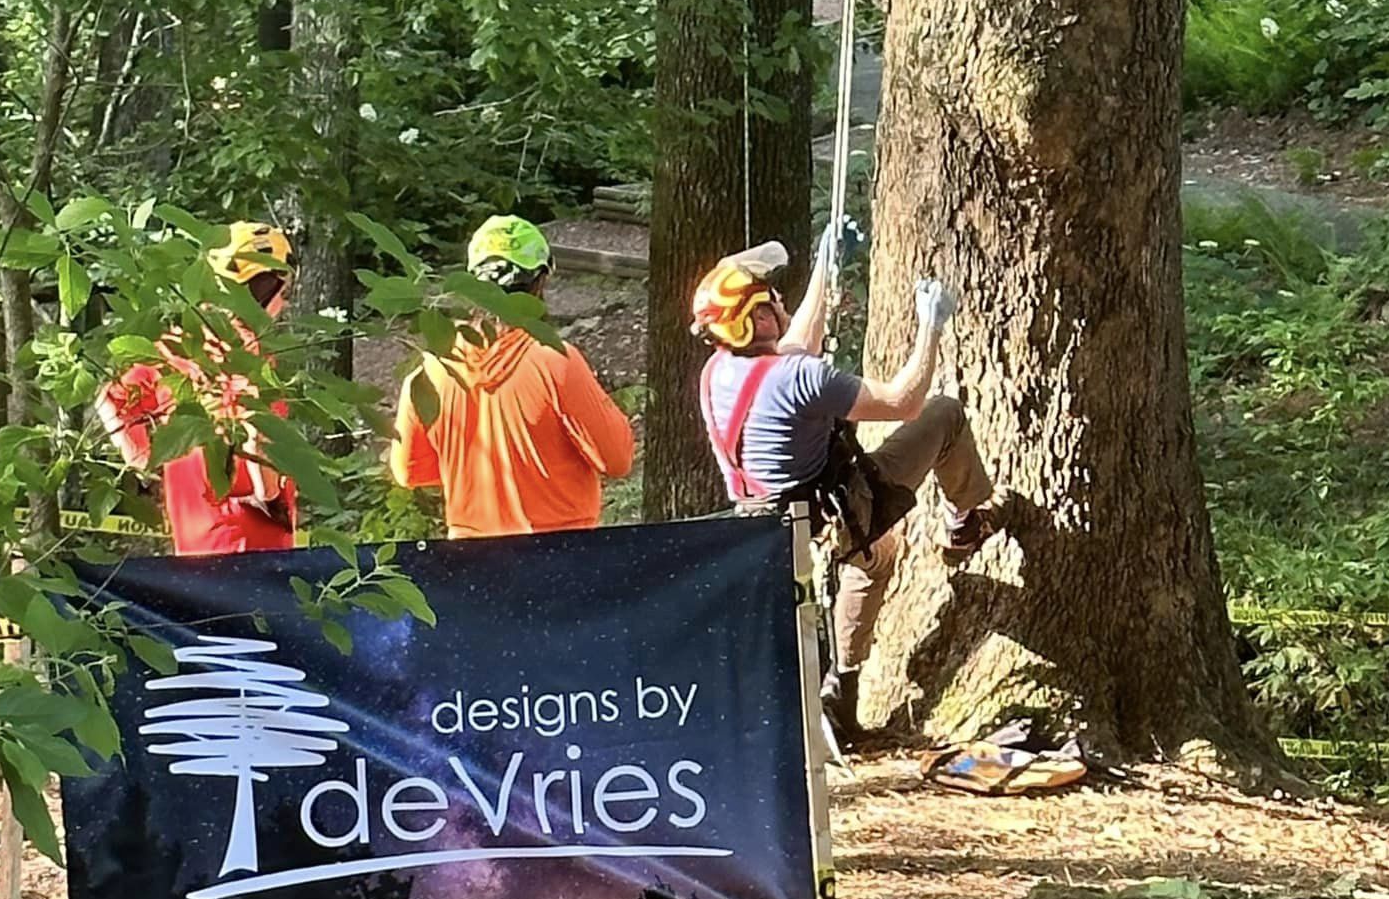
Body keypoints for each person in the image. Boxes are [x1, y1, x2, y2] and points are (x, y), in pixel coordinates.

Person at [692, 237, 997, 750]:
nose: (782, 305)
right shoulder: (799, 378)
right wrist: (932, 325)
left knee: (877, 555)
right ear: (759, 320)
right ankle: (964, 519)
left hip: (763, 520)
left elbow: (795, 348)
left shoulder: (719, 372)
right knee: (942, 414)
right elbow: (902, 401)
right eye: (772, 300)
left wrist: (824, 275)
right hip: (828, 513)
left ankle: (843, 689)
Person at [389, 215, 635, 539]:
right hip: (560, 555)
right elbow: (617, 460)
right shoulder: (555, 361)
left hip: (472, 560)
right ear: (540, 282)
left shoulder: (433, 368)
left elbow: (409, 471)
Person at [98, 221, 301, 556]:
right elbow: (257, 436)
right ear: (261, 291)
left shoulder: (176, 346)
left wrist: (146, 458)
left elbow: (110, 398)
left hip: (193, 541)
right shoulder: (251, 360)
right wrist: (270, 496)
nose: (286, 305)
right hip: (252, 546)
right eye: (284, 293)